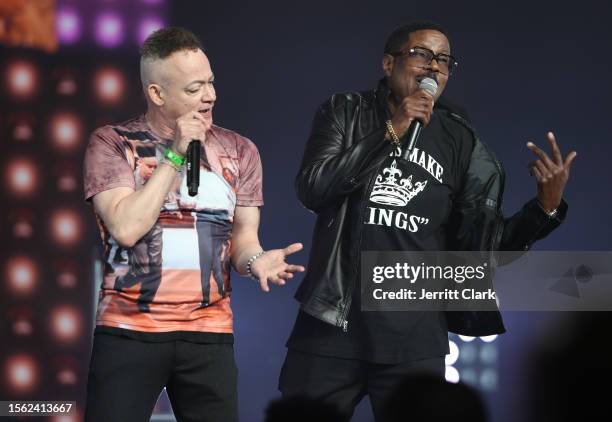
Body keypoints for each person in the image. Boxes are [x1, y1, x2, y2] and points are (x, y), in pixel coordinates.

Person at [279, 20, 576, 421]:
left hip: (414, 336)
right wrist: (393, 129)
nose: (434, 67)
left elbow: (481, 251)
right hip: (333, 324)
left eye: (444, 61)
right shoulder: (344, 111)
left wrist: (545, 208)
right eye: (421, 54)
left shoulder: (461, 141)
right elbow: (313, 187)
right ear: (389, 63)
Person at [83, 27, 304, 422]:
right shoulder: (113, 143)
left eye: (211, 83)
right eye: (194, 88)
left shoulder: (240, 150)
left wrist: (256, 262)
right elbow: (127, 228)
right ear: (157, 94)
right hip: (129, 329)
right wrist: (174, 155)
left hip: (208, 334)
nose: (210, 96)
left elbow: (243, 242)